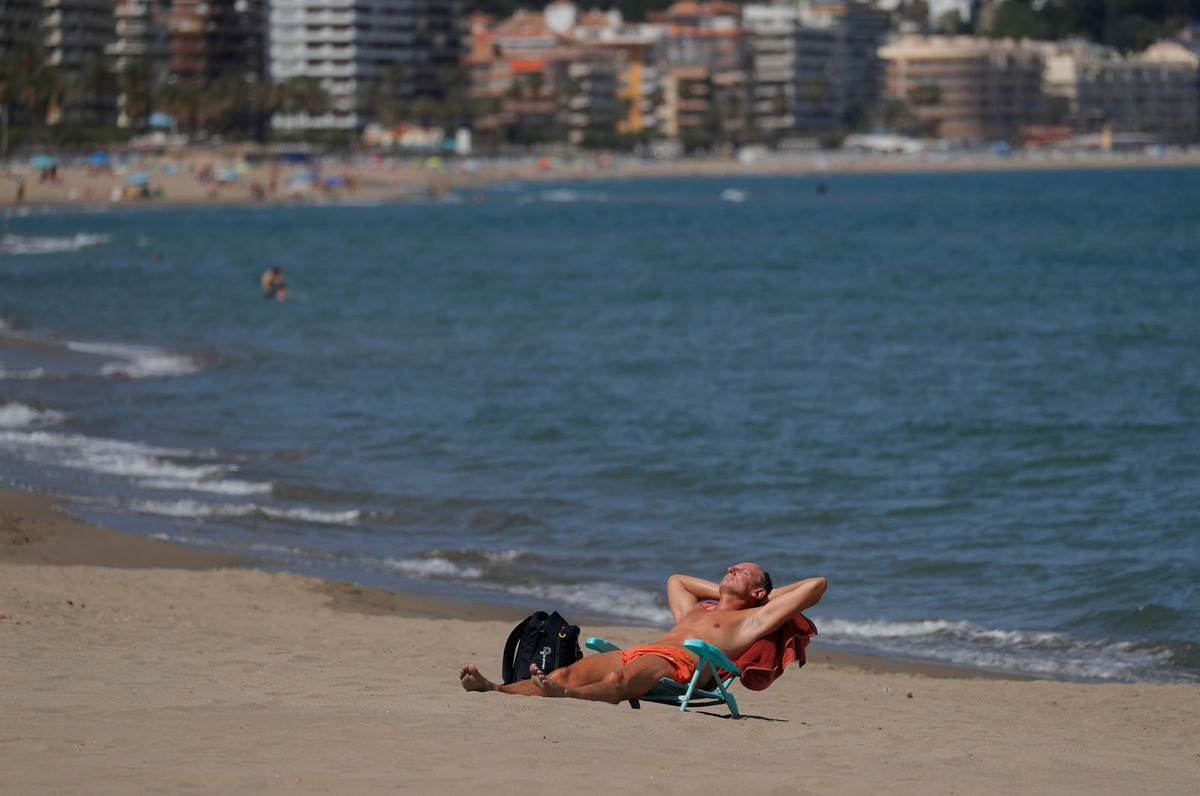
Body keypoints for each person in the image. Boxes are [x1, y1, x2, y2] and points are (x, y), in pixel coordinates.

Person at [459, 563, 826, 704]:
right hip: (644, 650)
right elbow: (676, 580)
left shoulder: (751, 621)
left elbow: (816, 585)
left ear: (759, 593)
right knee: (564, 671)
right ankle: (492, 688)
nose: (732, 567)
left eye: (743, 571)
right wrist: (729, 590)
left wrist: (759, 601)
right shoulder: (696, 609)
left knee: (618, 680)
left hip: (677, 663)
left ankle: (565, 695)